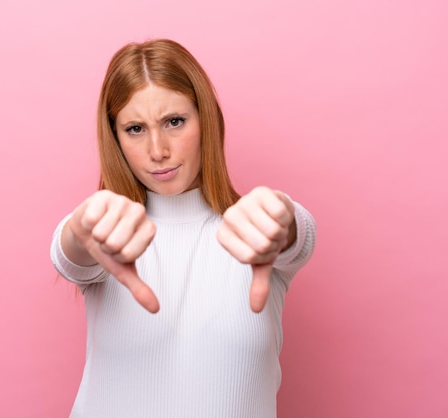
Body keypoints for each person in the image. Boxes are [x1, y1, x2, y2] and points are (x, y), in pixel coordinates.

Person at [50, 38, 316, 418]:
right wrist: (80, 229)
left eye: (174, 122)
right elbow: (69, 252)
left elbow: (297, 235)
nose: (158, 150)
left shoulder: (254, 232)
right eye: (135, 128)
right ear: (116, 137)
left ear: (205, 118)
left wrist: (284, 218)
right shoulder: (109, 236)